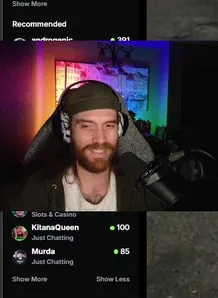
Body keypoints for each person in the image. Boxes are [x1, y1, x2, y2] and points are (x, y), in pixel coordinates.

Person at [4, 81, 150, 211]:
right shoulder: (33, 193)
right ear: (67, 130)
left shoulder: (139, 193)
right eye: (86, 126)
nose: (100, 139)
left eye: (109, 125)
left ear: (120, 129)